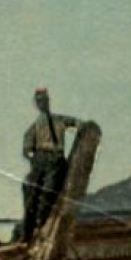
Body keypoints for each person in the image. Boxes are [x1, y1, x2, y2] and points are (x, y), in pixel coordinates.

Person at [21, 87, 80, 241]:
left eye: (45, 100)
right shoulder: (34, 127)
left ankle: (42, 224)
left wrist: (84, 126)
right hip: (41, 159)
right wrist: (33, 159)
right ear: (36, 104)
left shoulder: (60, 120)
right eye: (39, 101)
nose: (43, 103)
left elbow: (77, 123)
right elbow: (26, 149)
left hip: (56, 160)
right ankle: (27, 232)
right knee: (31, 191)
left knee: (49, 191)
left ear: (48, 101)